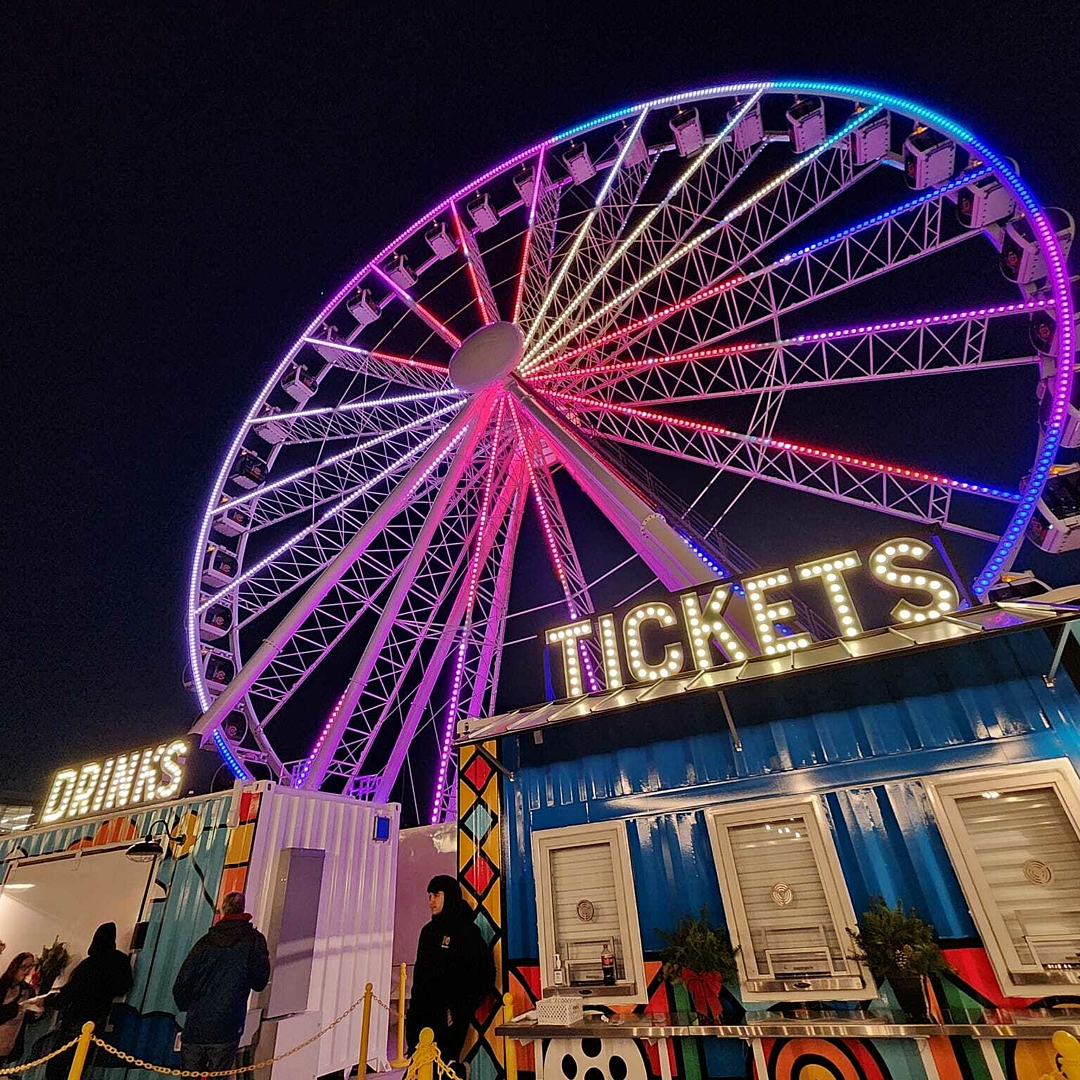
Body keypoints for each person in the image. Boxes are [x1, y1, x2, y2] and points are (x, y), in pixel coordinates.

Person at [172, 891, 270, 1077]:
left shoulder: (205, 942)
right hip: (228, 1024)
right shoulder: (254, 940)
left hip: (196, 1024)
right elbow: (260, 982)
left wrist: (189, 1007)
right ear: (243, 908)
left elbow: (182, 983)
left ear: (223, 909)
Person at [405, 875, 494, 1070]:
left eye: (436, 895)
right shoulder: (428, 932)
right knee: (419, 1069)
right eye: (429, 896)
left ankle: (461, 1071)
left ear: (450, 896)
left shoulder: (467, 931)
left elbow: (485, 974)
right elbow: (420, 976)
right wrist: (411, 1015)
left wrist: (460, 1009)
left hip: (448, 1019)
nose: (431, 901)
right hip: (422, 1017)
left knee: (444, 1068)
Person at [45, 923, 133, 1080]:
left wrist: (52, 1001)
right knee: (80, 1064)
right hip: (99, 1018)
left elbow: (71, 991)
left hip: (75, 1018)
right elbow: (123, 987)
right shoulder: (120, 961)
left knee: (57, 1063)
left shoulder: (88, 964)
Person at [0, 953, 41, 1068]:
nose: (27, 971)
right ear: (15, 966)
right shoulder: (3, 985)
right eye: (24, 967)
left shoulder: (28, 990)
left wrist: (37, 1011)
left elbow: (28, 1019)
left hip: (8, 1043)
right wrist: (17, 1008)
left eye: (31, 967)